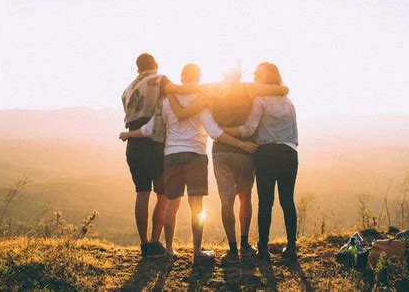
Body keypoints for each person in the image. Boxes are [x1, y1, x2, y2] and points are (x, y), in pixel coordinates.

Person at [119, 64, 258, 262]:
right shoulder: (201, 99)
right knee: (197, 206)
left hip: (171, 155)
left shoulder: (166, 100)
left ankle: (168, 250)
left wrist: (128, 134)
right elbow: (214, 131)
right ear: (199, 77)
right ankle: (197, 252)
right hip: (196, 155)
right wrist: (241, 144)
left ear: (181, 78)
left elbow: (150, 129)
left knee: (171, 205)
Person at [166, 66, 289, 261]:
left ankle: (231, 249)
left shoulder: (211, 89)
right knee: (245, 197)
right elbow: (282, 90)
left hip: (221, 150)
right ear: (240, 73)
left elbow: (184, 103)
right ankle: (244, 244)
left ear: (223, 73)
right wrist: (283, 89)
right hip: (245, 150)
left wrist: (169, 89)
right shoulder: (250, 88)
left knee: (226, 200)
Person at [120, 53, 204, 258]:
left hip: (134, 144)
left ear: (137, 68)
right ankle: (156, 243)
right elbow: (182, 90)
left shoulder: (128, 89)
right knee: (163, 195)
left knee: (141, 193)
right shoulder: (160, 80)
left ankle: (144, 244)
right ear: (155, 65)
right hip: (154, 143)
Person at [222, 62, 298, 261]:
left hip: (266, 154)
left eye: (257, 75)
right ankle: (291, 248)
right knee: (287, 201)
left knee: (266, 202)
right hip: (289, 153)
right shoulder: (287, 100)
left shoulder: (260, 99)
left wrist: (224, 131)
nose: (254, 77)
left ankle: (263, 249)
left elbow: (249, 129)